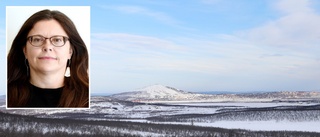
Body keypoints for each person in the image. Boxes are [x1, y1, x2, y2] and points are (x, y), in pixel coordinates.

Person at [7, 9, 89, 108]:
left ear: (70, 51)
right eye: (37, 39)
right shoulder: (6, 96)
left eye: (57, 40)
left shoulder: (88, 98)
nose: (47, 47)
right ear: (25, 50)